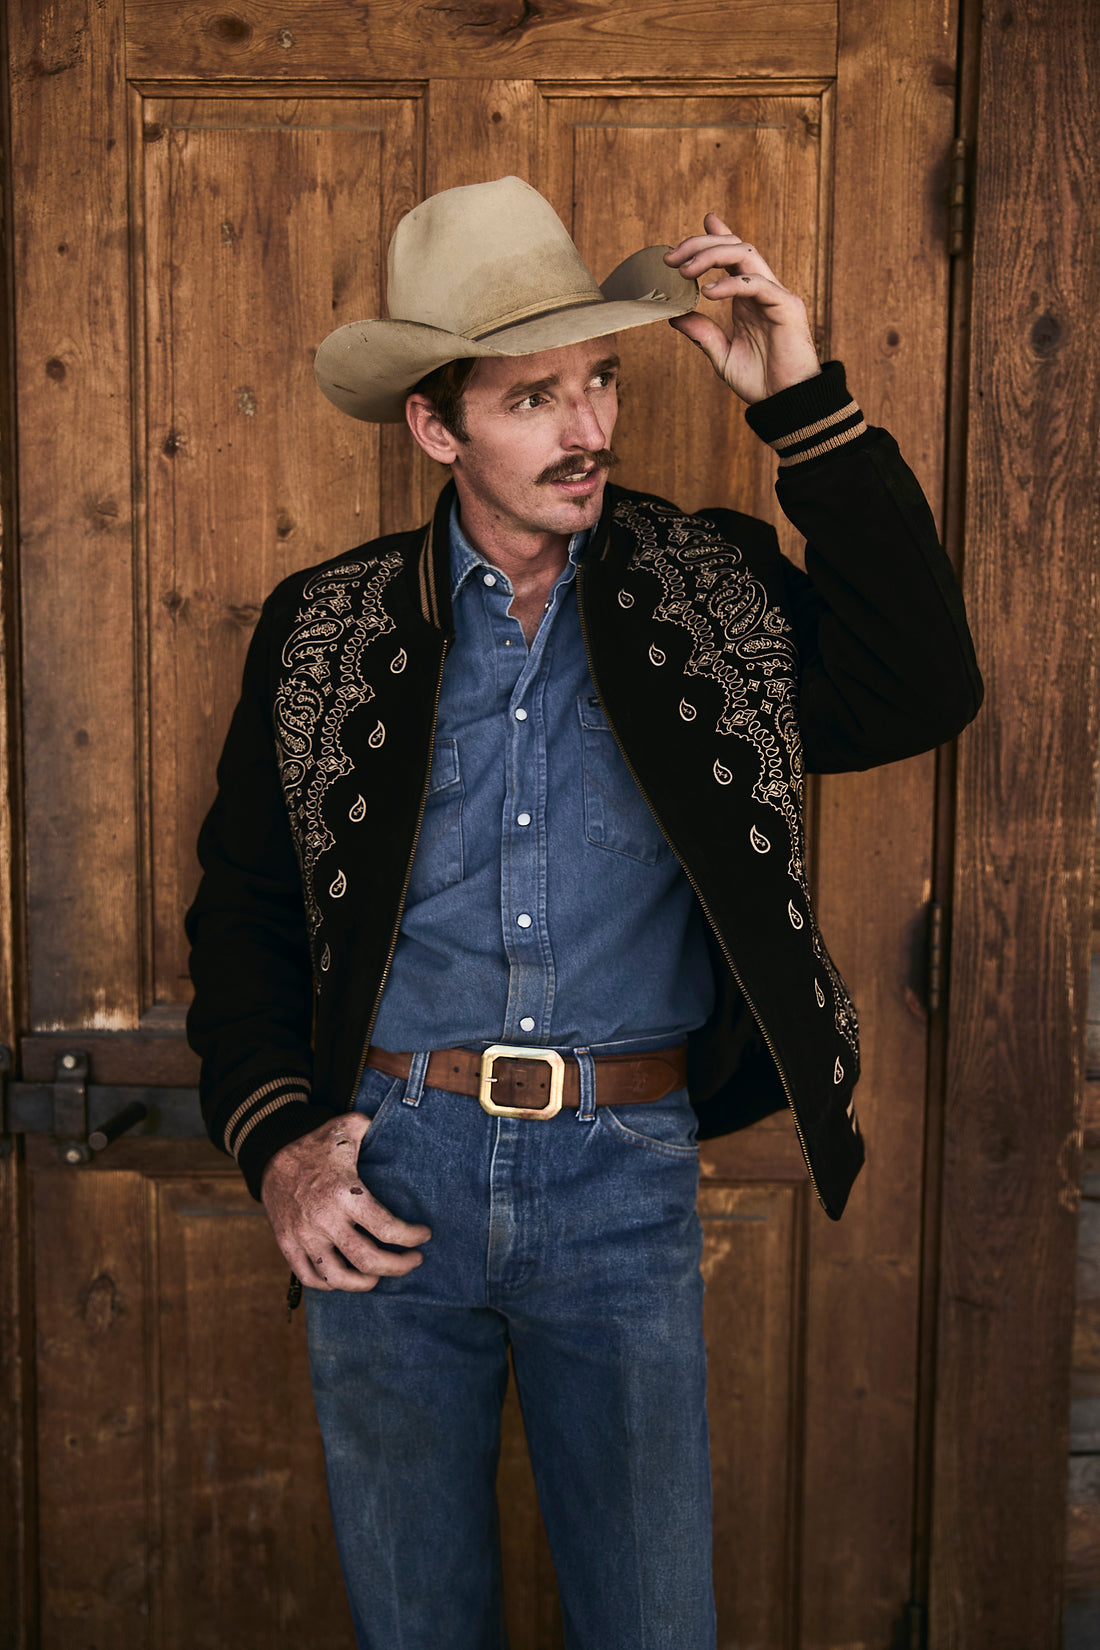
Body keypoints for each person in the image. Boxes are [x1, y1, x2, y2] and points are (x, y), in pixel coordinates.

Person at [186, 176, 982, 1650]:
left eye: (601, 379)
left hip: (622, 1172)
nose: (590, 427)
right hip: (388, 1171)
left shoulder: (710, 586)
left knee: (654, 1625)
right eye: (534, 396)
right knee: (416, 1626)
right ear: (436, 425)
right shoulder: (327, 628)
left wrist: (801, 399)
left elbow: (922, 684)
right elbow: (241, 915)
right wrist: (279, 1148)